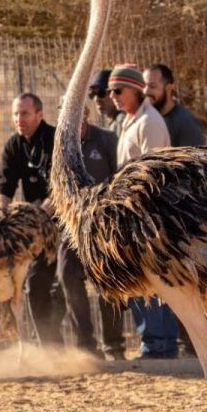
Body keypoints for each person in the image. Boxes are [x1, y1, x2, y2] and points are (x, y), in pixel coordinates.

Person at [108, 65, 177, 358]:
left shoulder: (149, 123)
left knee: (154, 281)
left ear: (134, 91)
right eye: (111, 91)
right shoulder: (131, 121)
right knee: (140, 281)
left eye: (118, 91)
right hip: (132, 214)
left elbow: (154, 174)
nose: (112, 96)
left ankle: (160, 345)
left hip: (148, 216)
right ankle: (153, 342)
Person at [144, 63, 205, 357]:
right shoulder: (150, 118)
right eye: (145, 86)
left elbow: (196, 168)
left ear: (169, 88)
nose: (147, 91)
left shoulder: (183, 121)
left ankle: (195, 347)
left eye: (153, 86)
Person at [57, 104, 126, 361]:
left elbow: (119, 177)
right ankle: (85, 344)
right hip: (73, 226)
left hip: (104, 225)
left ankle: (114, 344)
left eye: (78, 112)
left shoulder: (106, 140)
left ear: (85, 113)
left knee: (108, 281)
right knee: (67, 274)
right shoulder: (60, 145)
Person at [0, 92, 62, 348]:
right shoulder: (14, 146)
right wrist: (2, 218)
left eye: (24, 113)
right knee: (34, 283)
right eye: (15, 114)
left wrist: (39, 214)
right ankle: (49, 346)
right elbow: (4, 189)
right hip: (36, 228)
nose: (18, 119)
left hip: (64, 222)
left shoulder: (55, 139)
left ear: (39, 114)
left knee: (68, 281)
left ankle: (88, 345)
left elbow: (61, 190)